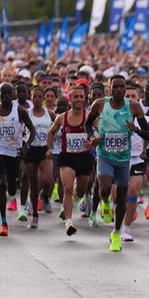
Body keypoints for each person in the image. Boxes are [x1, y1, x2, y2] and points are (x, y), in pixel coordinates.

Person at [85, 75, 149, 251]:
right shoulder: (100, 104)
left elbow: (148, 133)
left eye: (122, 87)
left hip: (123, 159)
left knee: (121, 198)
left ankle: (116, 233)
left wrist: (135, 129)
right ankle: (104, 202)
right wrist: (93, 137)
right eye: (116, 87)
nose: (119, 90)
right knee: (105, 188)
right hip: (105, 155)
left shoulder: (134, 107)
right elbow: (87, 124)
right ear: (109, 88)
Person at [0, 82, 36, 236]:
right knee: (1, 183)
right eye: (3, 93)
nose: (6, 96)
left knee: (12, 186)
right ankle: (3, 221)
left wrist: (26, 146)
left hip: (14, 152)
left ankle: (12, 194)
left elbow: (32, 131)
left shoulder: (19, 111)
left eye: (9, 93)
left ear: (13, 94)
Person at [46, 85, 96, 237]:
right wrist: (49, 148)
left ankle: (82, 197)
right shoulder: (62, 117)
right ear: (70, 100)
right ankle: (68, 221)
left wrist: (93, 142)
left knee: (79, 192)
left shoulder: (89, 117)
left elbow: (101, 132)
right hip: (67, 157)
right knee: (67, 188)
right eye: (76, 97)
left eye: (82, 97)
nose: (79, 100)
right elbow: (51, 132)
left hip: (84, 157)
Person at [23, 86, 56, 228]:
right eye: (34, 96)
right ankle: (35, 215)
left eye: (39, 96)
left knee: (47, 179)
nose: (36, 99)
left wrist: (52, 146)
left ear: (43, 98)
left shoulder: (50, 114)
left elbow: (57, 129)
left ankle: (40, 196)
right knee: (33, 184)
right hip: (30, 150)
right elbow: (20, 129)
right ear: (31, 97)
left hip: (44, 150)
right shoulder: (26, 113)